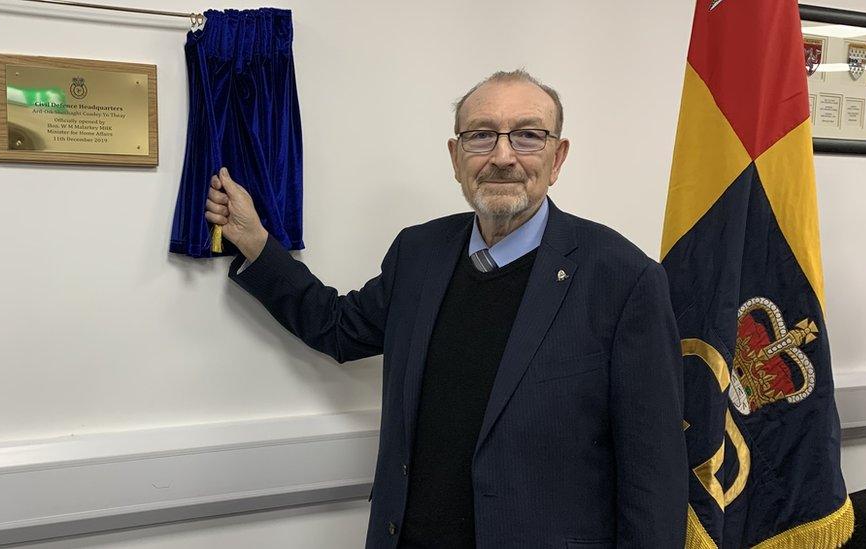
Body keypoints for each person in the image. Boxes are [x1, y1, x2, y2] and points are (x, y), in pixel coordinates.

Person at [204, 70, 687, 548]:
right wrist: (258, 244)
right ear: (456, 157)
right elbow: (338, 327)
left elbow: (653, 478)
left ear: (557, 157)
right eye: (480, 136)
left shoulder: (624, 279)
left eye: (527, 136)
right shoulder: (419, 253)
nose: (502, 156)